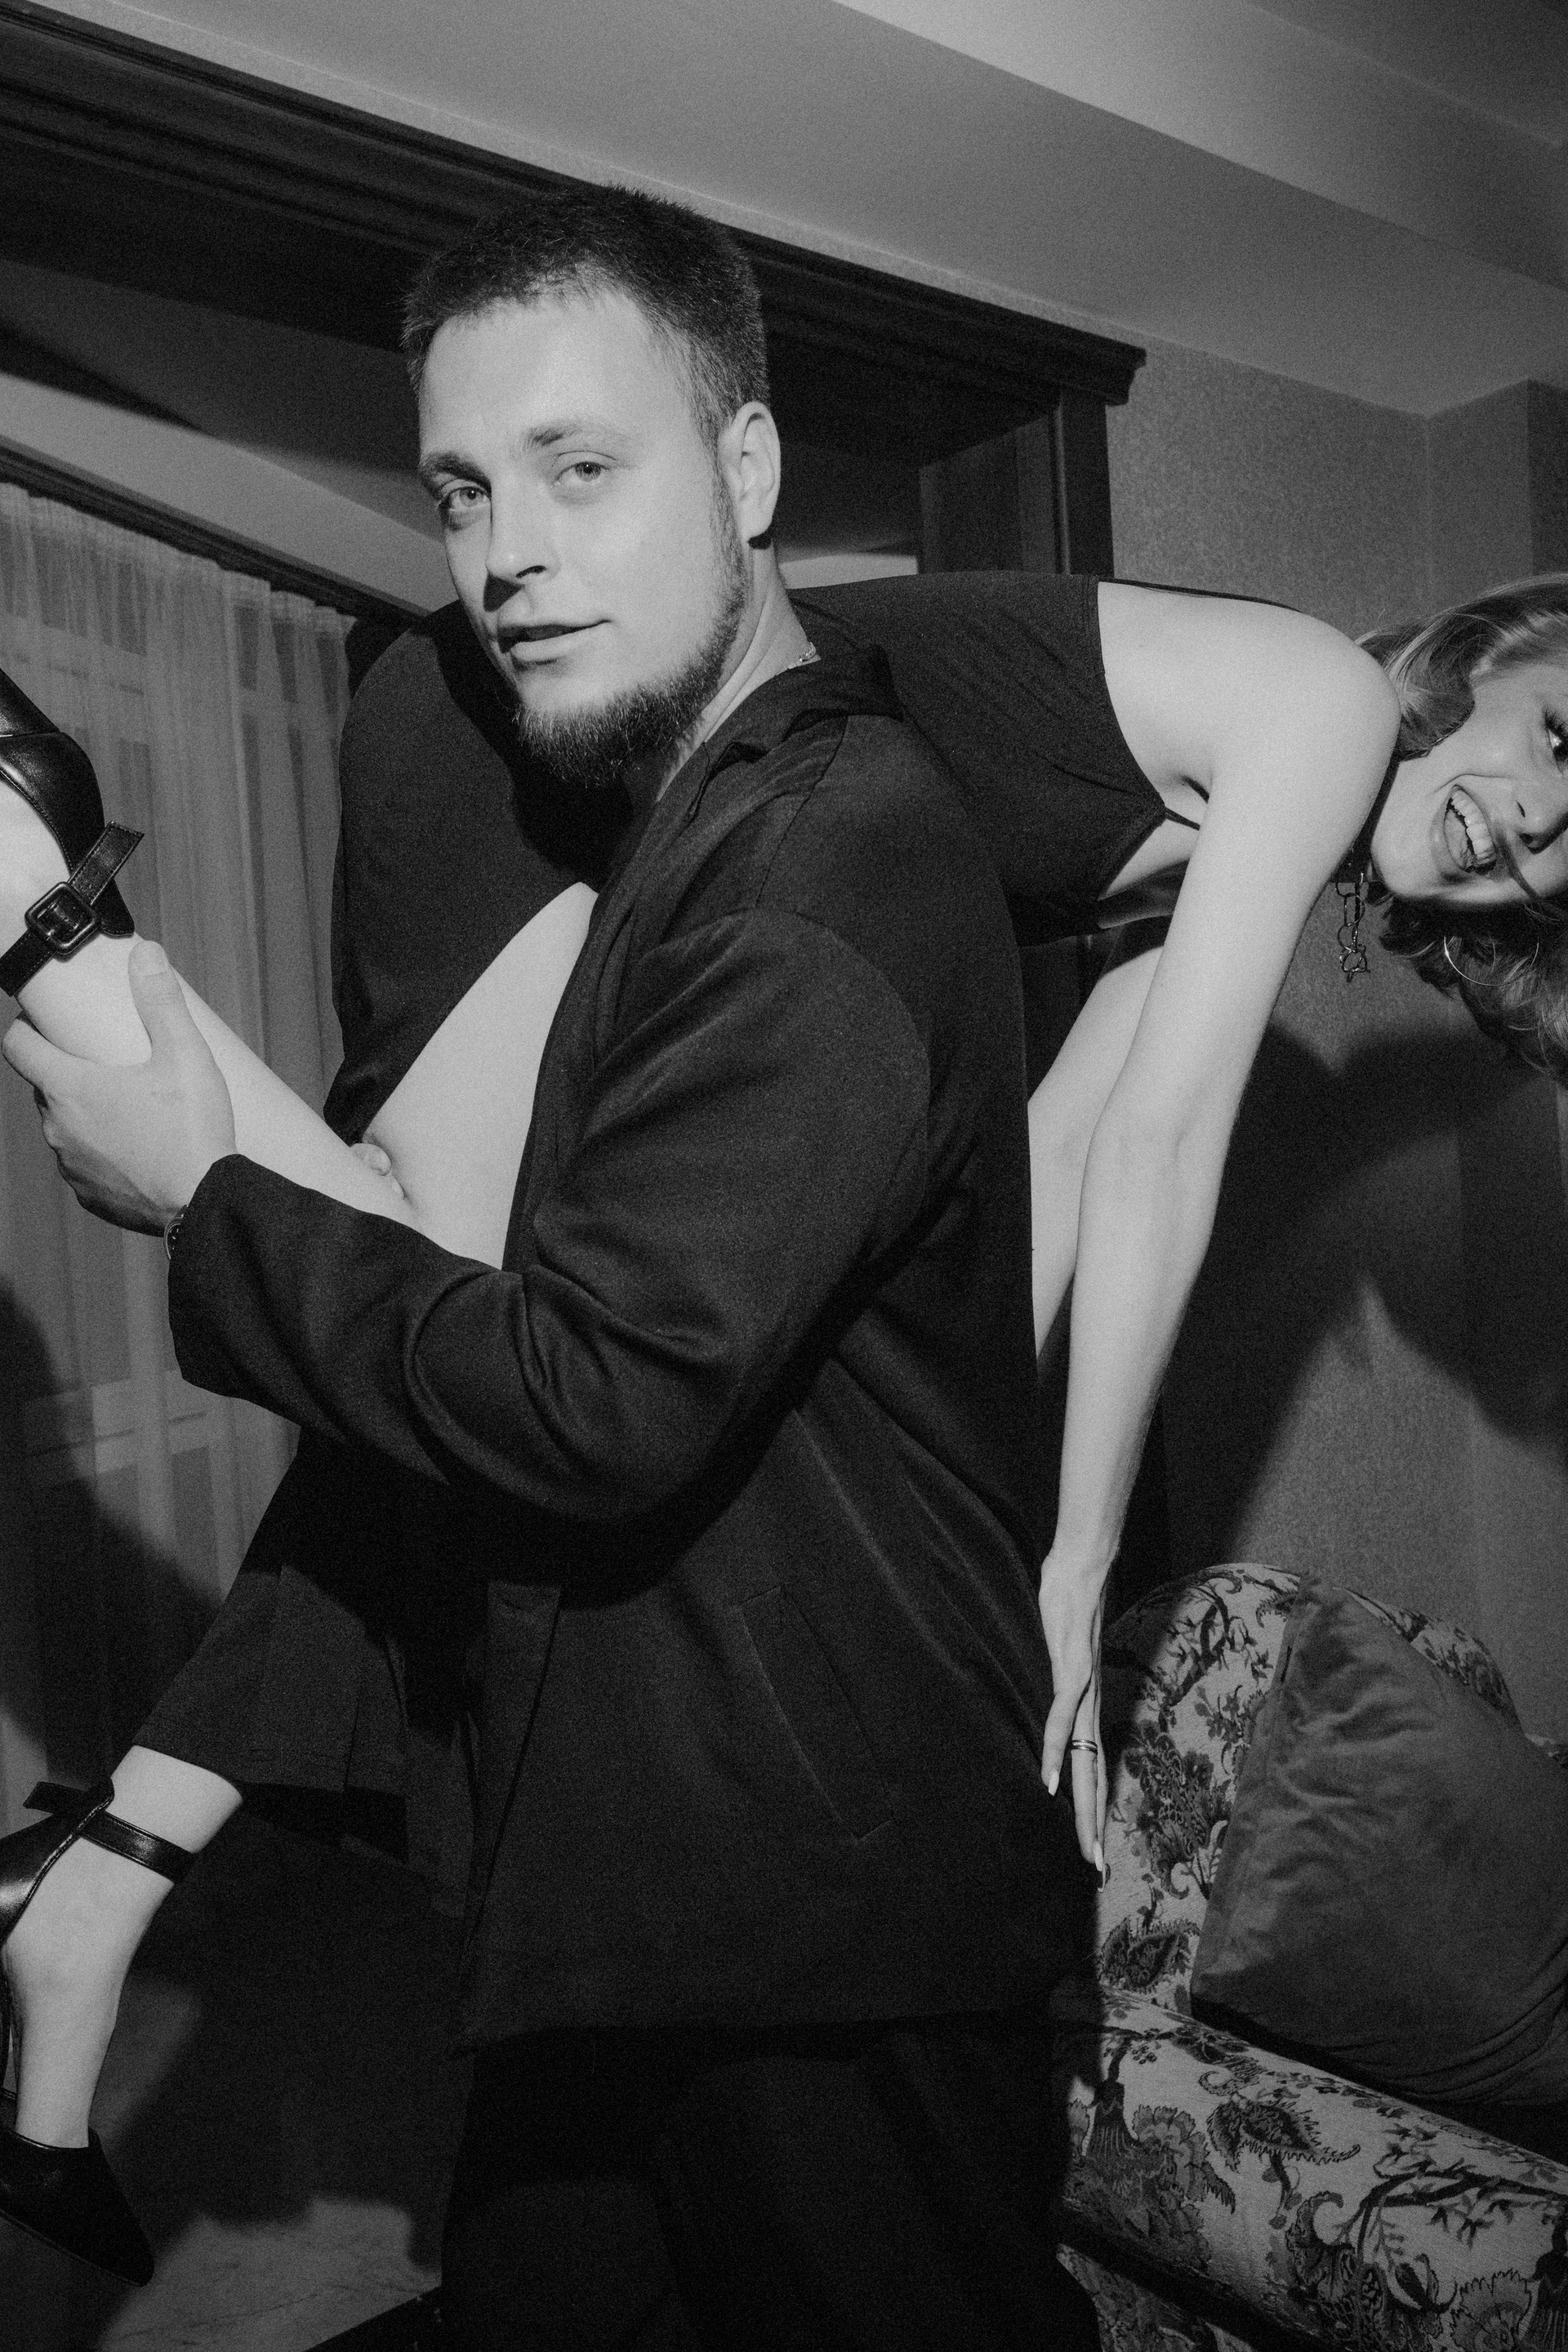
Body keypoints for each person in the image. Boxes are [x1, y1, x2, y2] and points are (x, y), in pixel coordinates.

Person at [3, 182, 1567, 2320]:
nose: (1533, 818)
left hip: (668, 821)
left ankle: (98, 1886)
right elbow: (1165, 1150)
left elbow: (1053, 1178)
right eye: (1563, 738)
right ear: (1504, 651)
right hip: (531, 758)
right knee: (430, 1278)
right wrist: (1069, 1560)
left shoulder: (1182, 851)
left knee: (457, 1337)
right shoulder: (1314, 703)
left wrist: (939, 1520)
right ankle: (45, 900)